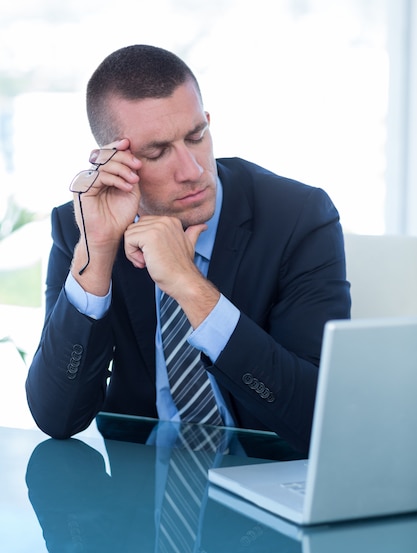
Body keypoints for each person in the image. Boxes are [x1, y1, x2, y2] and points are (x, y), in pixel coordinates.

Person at [26, 44, 350, 456]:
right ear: (114, 161)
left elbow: (316, 417)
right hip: (138, 489)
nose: (193, 171)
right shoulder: (84, 227)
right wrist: (100, 252)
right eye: (157, 152)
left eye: (196, 136)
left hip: (263, 480)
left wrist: (190, 288)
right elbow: (57, 418)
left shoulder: (298, 217)